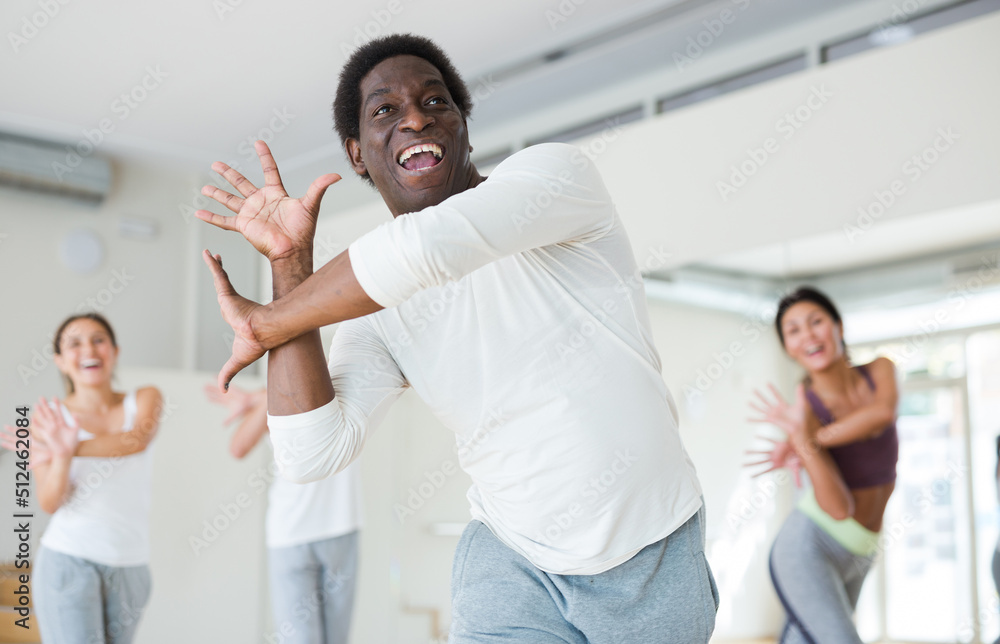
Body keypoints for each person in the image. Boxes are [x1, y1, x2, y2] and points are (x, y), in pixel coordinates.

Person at [194, 33, 718, 642]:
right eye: (384, 110)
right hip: (511, 559)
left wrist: (266, 321)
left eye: (435, 101)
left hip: (650, 550)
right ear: (357, 154)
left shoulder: (553, 179)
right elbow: (310, 453)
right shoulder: (377, 309)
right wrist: (288, 264)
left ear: (462, 124)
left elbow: (424, 250)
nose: (416, 116)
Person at [746, 287, 899, 644]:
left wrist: (811, 439)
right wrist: (802, 436)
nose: (808, 334)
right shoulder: (808, 409)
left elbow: (881, 414)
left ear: (838, 327)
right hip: (810, 546)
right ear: (787, 348)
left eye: (816, 322)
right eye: (793, 330)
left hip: (863, 548)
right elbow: (838, 507)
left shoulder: (879, 370)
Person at [1, 313, 162, 643]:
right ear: (60, 361)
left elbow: (136, 440)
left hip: (131, 566)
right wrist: (58, 454)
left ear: (115, 351)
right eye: (74, 343)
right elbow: (49, 501)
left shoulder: (144, 397)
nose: (88, 348)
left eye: (98, 339)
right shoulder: (49, 418)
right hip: (69, 560)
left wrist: (66, 448)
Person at [204, 383, 361, 644]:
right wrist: (266, 396)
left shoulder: (342, 380)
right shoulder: (274, 397)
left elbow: (323, 387)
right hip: (291, 535)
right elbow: (238, 447)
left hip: (341, 527)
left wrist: (257, 398)